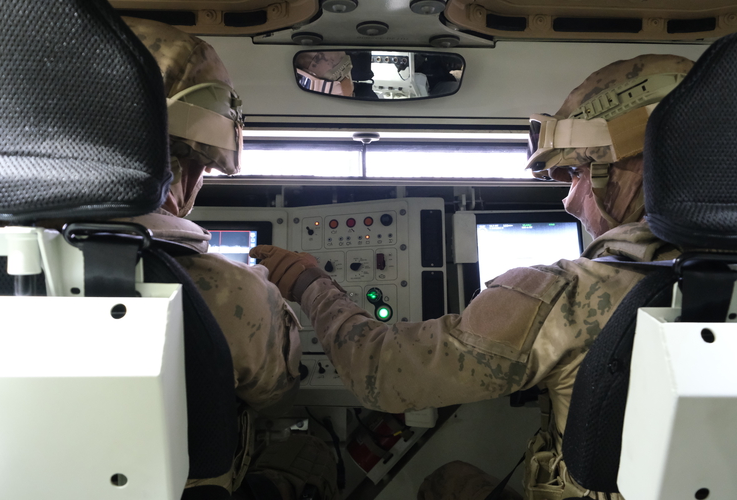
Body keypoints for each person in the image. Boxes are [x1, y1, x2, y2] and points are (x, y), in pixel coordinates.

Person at [249, 54, 694, 499]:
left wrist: (309, 282)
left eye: (577, 172)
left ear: (634, 165)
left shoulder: (565, 297)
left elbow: (380, 371)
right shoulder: (708, 276)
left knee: (447, 482)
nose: (570, 199)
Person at [118, 18, 322, 497]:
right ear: (185, 168)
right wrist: (268, 293)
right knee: (309, 452)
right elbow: (279, 393)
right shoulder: (229, 292)